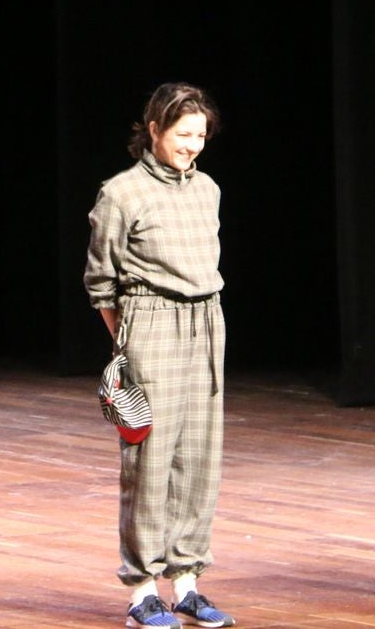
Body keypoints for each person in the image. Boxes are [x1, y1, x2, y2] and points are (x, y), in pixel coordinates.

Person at [85, 82, 235, 629]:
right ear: (154, 130)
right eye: (183, 134)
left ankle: (188, 582)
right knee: (149, 463)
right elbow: (101, 282)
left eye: (201, 135)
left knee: (199, 457)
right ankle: (143, 590)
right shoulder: (121, 193)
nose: (193, 145)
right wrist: (129, 341)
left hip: (205, 321)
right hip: (150, 323)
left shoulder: (208, 190)